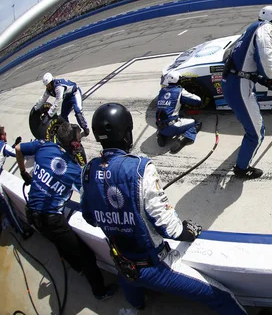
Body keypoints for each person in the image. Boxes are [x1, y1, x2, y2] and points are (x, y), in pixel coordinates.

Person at [80, 103, 246, 314]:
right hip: (154, 267)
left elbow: (89, 218)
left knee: (131, 286)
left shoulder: (88, 171)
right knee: (224, 297)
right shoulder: (140, 168)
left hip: (121, 261)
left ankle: (138, 305)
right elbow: (168, 227)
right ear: (126, 134)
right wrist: (189, 231)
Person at [15, 122, 117, 300]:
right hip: (52, 219)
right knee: (86, 255)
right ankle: (99, 292)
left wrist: (24, 172)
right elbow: (90, 197)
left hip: (31, 212)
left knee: (60, 243)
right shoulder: (74, 170)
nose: (80, 143)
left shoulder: (43, 145)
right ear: (74, 145)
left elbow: (17, 148)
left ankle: (77, 268)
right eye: (78, 140)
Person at [222, 5, 272, 179]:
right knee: (257, 134)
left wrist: (260, 79)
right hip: (239, 86)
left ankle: (244, 156)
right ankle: (242, 169)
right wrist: (271, 77)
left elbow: (243, 60)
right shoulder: (267, 28)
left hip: (234, 81)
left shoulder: (251, 28)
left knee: (253, 127)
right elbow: (264, 56)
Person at [156, 70, 203, 154]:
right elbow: (197, 100)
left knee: (175, 115)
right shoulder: (179, 91)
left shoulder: (162, 91)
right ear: (178, 80)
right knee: (196, 123)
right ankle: (183, 139)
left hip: (160, 126)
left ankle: (161, 135)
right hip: (173, 126)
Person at [34, 72, 90, 137]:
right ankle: (70, 131)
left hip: (74, 94)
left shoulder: (58, 87)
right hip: (66, 98)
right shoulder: (48, 90)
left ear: (52, 82)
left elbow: (58, 102)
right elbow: (43, 99)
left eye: (48, 84)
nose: (47, 87)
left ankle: (86, 129)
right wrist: (36, 107)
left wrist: (49, 115)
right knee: (63, 117)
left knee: (78, 111)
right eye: (46, 85)